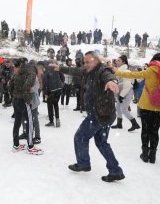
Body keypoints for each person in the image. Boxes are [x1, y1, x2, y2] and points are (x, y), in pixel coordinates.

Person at [51, 51, 125, 182]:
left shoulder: (102, 70)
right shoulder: (89, 70)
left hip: (99, 114)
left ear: (96, 60)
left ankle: (83, 163)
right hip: (106, 114)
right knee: (102, 142)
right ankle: (115, 171)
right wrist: (61, 68)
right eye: (84, 62)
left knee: (80, 137)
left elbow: (108, 75)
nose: (85, 64)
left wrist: (111, 81)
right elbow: (76, 71)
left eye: (87, 61)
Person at [112, 53, 160, 164]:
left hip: (146, 106)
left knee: (145, 130)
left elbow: (133, 75)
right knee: (155, 131)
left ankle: (145, 154)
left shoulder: (151, 70)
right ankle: (153, 155)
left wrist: (116, 71)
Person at [9, 58, 43, 155]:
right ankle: (30, 146)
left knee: (17, 122)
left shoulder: (18, 72)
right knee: (30, 122)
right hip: (23, 101)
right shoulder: (31, 71)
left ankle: (16, 145)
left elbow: (10, 85)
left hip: (15, 100)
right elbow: (26, 86)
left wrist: (14, 96)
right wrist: (27, 99)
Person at [111, 55, 140, 131]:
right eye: (116, 60)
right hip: (121, 92)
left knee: (124, 109)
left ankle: (134, 123)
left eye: (119, 61)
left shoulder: (126, 71)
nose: (116, 62)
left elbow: (127, 85)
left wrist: (121, 96)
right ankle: (119, 123)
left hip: (127, 92)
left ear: (123, 62)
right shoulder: (119, 71)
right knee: (118, 107)